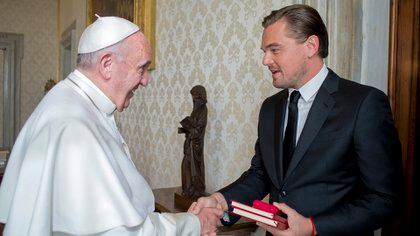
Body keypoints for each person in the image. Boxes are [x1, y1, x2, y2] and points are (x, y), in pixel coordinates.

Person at [190, 4, 403, 236]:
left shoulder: (364, 104)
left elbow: (385, 199)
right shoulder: (270, 108)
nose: (265, 60)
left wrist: (312, 227)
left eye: (275, 50)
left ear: (311, 46)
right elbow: (260, 175)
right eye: (264, 51)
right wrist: (220, 201)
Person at [0, 16, 222, 236]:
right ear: (107, 65)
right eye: (142, 68)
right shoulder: (73, 126)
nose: (146, 80)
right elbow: (122, 232)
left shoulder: (70, 102)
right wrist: (195, 224)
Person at [178, 85, 208, 198]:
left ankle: (197, 190)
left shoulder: (203, 110)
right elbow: (192, 126)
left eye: (195, 97)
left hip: (196, 145)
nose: (193, 100)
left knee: (195, 168)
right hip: (189, 143)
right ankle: (188, 189)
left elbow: (198, 129)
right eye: (192, 97)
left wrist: (188, 126)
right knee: (186, 166)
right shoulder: (195, 110)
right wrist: (184, 128)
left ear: (200, 96)